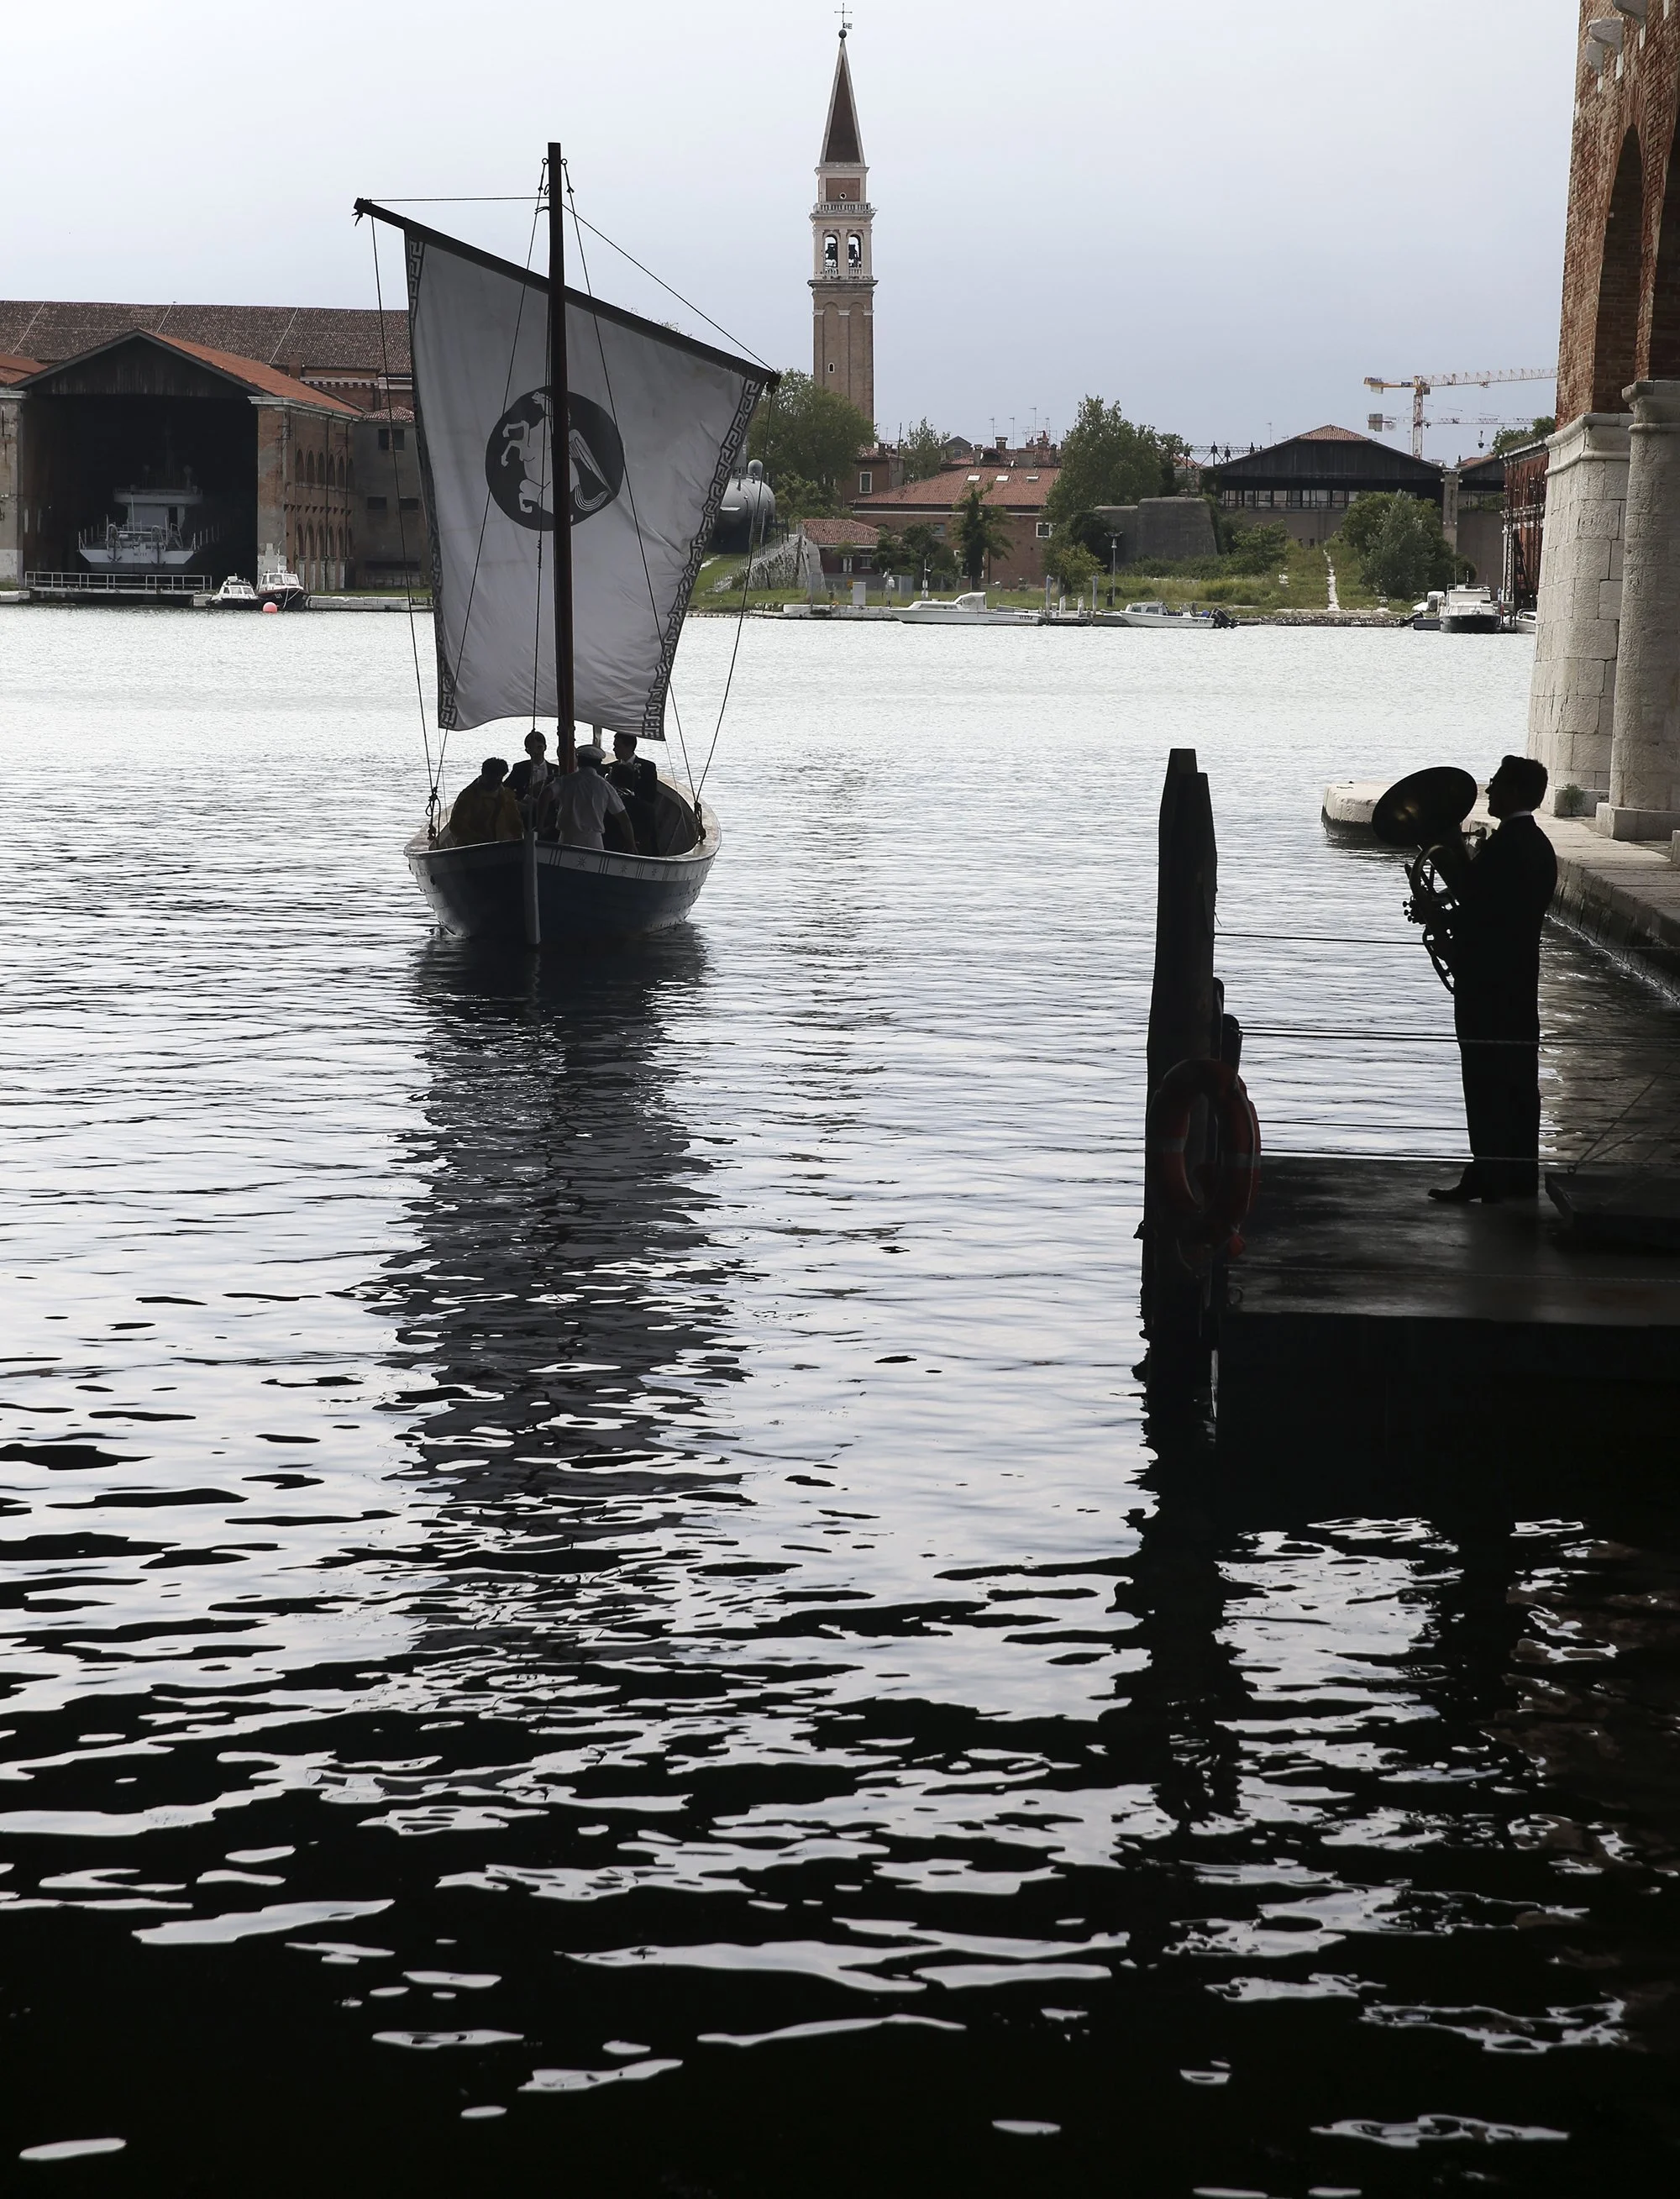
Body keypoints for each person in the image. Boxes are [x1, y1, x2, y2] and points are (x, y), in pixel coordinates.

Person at [1427, 754, 1557, 1203]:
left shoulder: (1509, 845)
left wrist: (1449, 934)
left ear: (1516, 792)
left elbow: (1479, 902)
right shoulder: (1537, 844)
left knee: (1483, 1078)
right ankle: (1517, 1177)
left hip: (1489, 986)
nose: (1489, 790)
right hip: (1519, 982)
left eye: (1497, 783)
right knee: (1518, 1081)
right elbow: (1501, 913)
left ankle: (1488, 1176)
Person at [556, 743, 631, 851]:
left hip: (567, 837)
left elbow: (546, 794)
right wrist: (631, 843)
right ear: (599, 764)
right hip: (593, 840)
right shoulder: (605, 786)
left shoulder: (566, 780)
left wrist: (540, 824)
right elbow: (624, 818)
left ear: (578, 761)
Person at [449, 757, 522, 844]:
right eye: (492, 779)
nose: (495, 783)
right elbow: (456, 826)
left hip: (502, 847)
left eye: (499, 779)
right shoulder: (468, 796)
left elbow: (515, 823)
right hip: (473, 848)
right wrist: (478, 839)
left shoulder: (507, 796)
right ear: (484, 775)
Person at [606, 732, 659, 854]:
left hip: (639, 816)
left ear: (629, 747)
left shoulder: (647, 767)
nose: (614, 749)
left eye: (617, 746)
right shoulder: (610, 768)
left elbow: (651, 796)